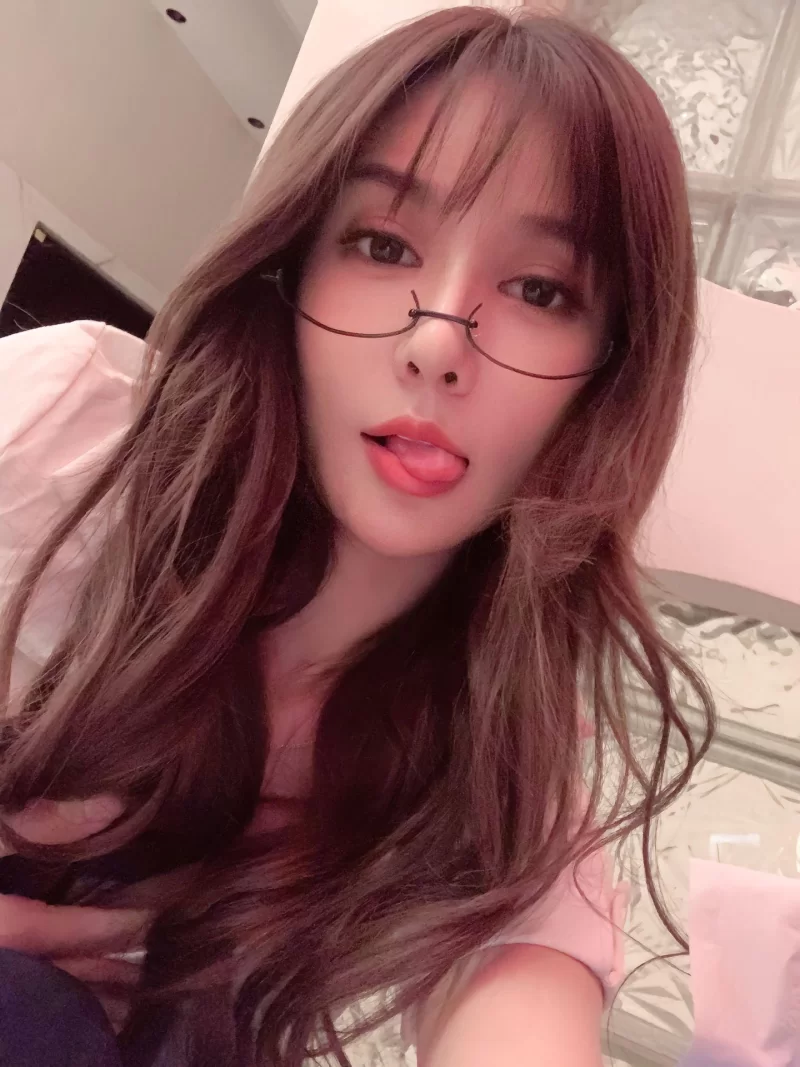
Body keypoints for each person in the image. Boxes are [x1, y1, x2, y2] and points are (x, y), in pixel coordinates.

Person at [0, 6, 715, 1066]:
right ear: (291, 270)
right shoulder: (68, 439)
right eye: (383, 244)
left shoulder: (499, 748)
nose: (436, 344)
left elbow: (521, 1001)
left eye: (538, 289)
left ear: (608, 367)